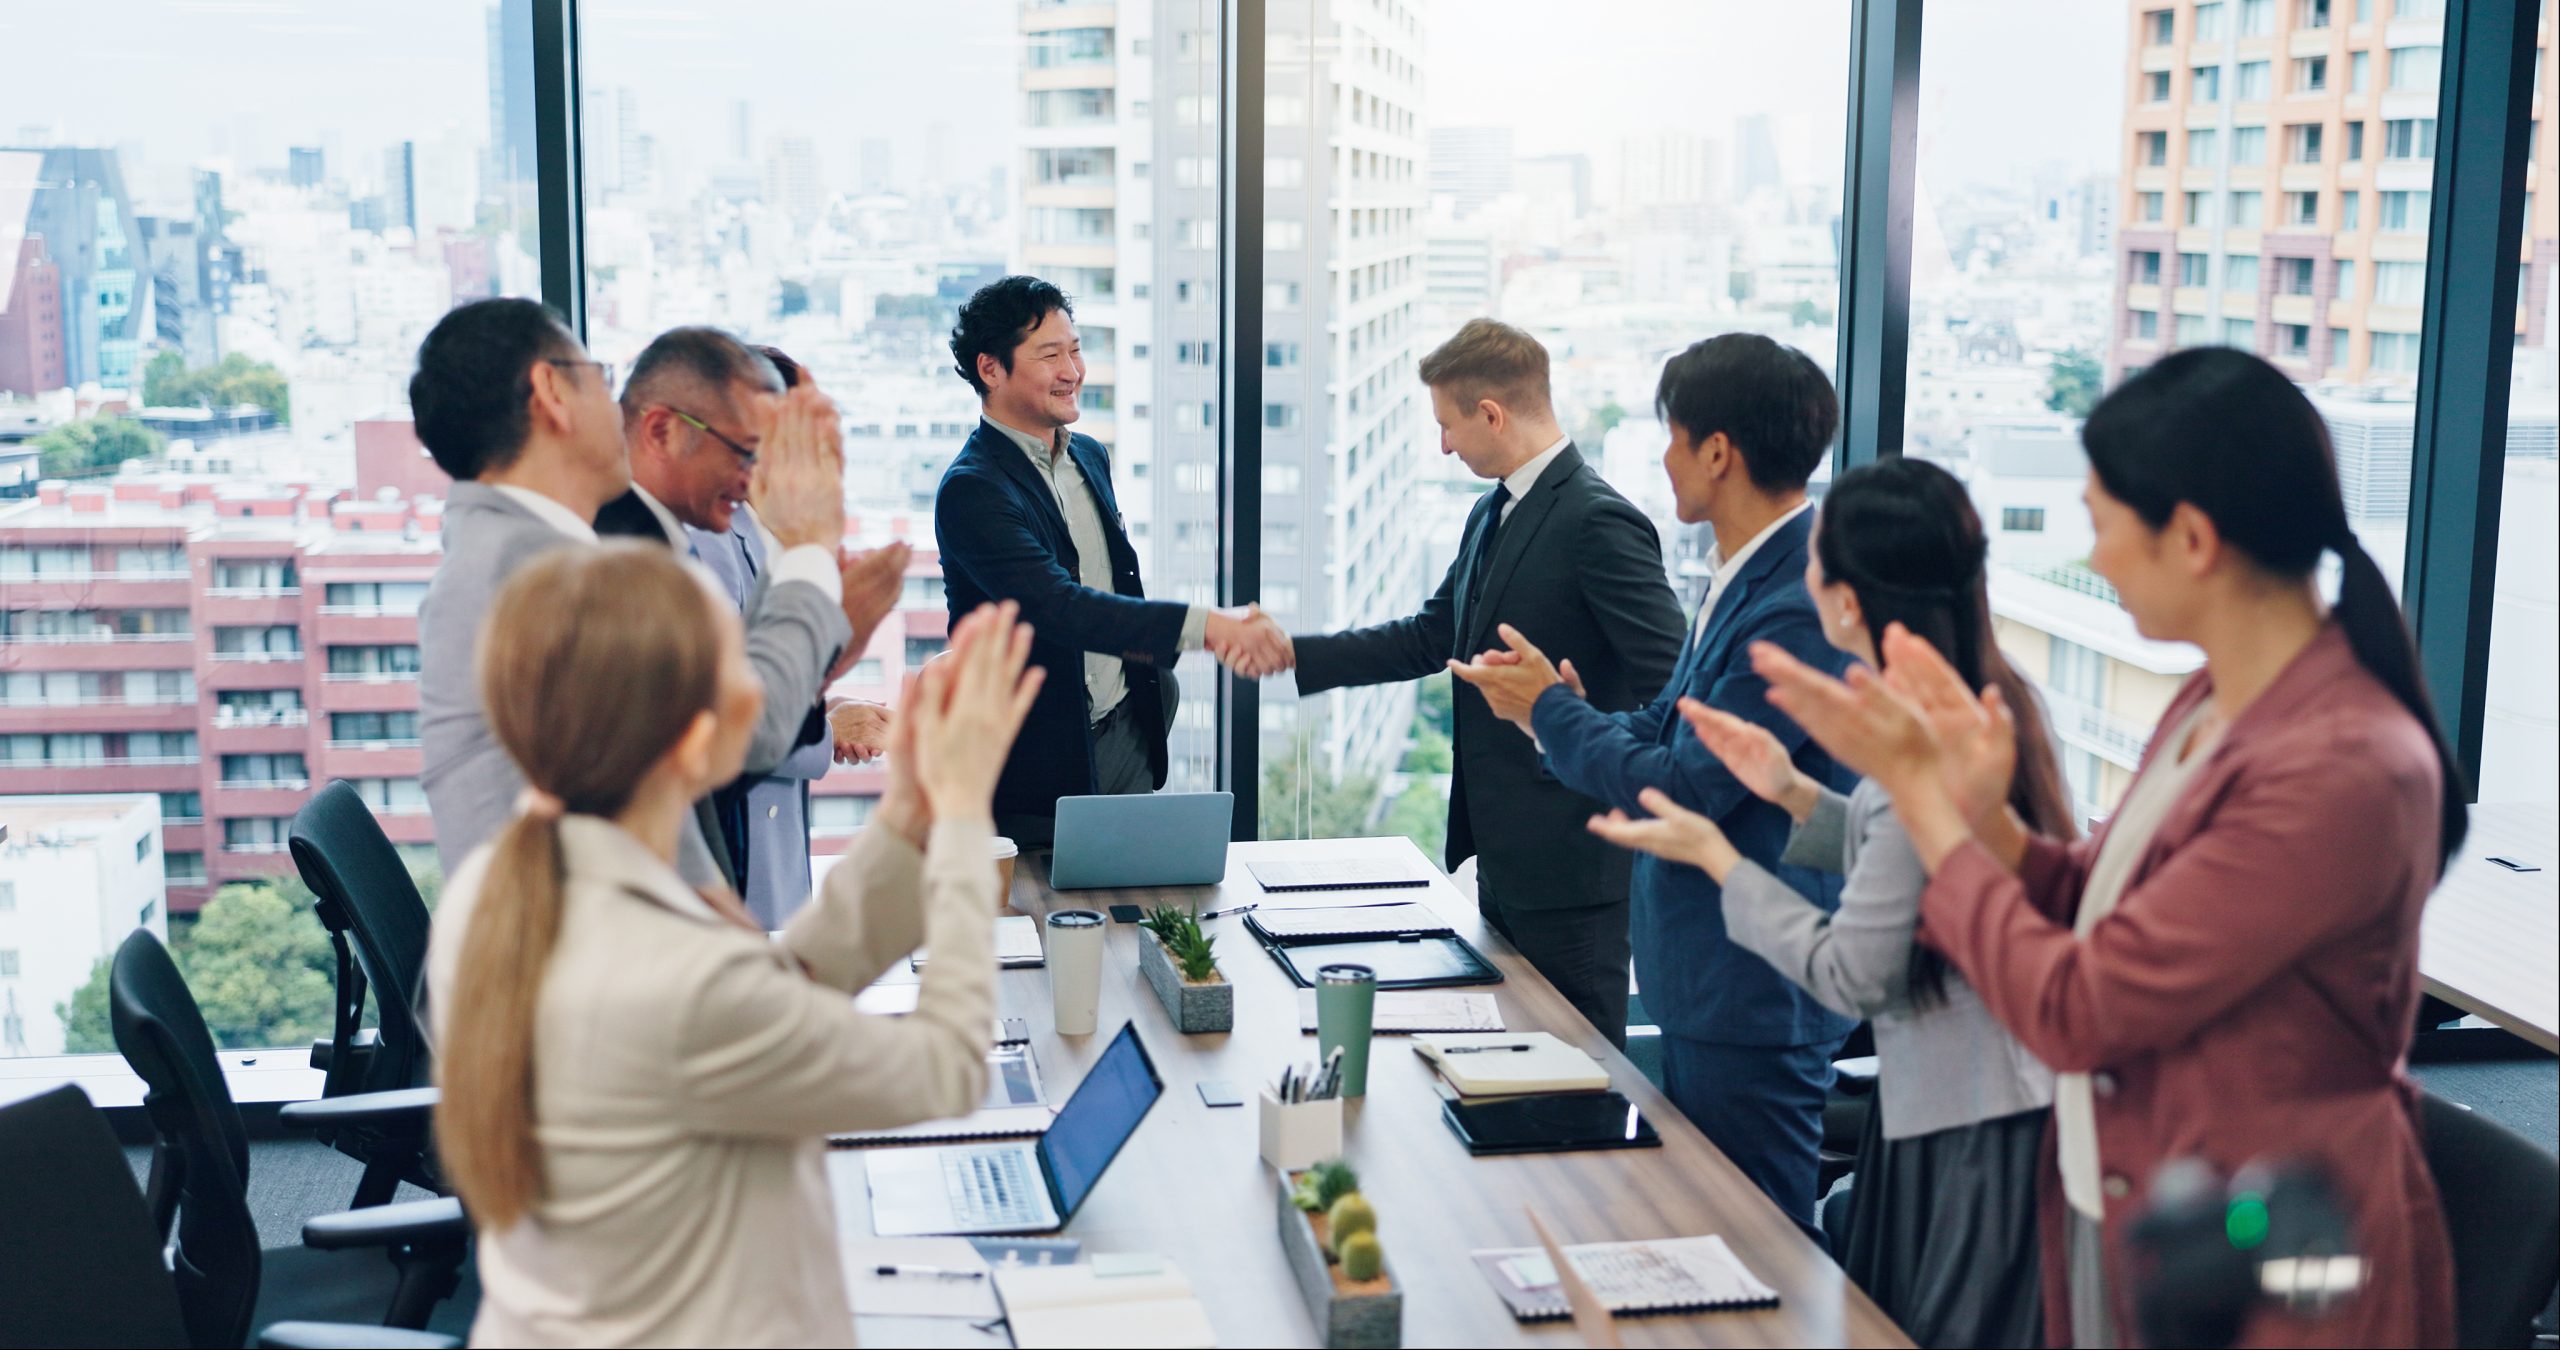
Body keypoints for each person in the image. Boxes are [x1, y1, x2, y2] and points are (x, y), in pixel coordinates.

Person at [1749, 348, 2462, 1348]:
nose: (2094, 557)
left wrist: (1927, 808)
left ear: (2192, 538)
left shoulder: (2340, 767)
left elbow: (2082, 1008)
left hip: (2278, 1242)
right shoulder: (2216, 702)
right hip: (2159, 1195)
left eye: (2101, 522)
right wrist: (1983, 815)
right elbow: (2099, 888)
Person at [428, 543, 1044, 1348]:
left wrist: (908, 816)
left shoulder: (500, 888)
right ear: (691, 743)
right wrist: (965, 816)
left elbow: (769, 989)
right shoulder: (670, 977)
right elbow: (948, 1065)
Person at [1587, 457, 2071, 1347]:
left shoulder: (1917, 739)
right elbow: (1918, 854)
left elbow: (1852, 972)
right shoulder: (1986, 700)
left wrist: (1719, 859)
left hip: (1963, 1129)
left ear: (1846, 599)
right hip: (1978, 1105)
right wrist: (1790, 792)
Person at [1450, 332, 1858, 1240]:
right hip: (1712, 976)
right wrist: (1554, 712)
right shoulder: (1747, 572)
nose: (1662, 459)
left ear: (1718, 451)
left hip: (1753, 987)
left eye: (1672, 436)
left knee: (1762, 1255)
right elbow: (1666, 724)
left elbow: (1686, 786)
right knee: (1707, 1235)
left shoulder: (1793, 601)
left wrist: (1553, 714)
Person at [1252, 319, 1684, 1044]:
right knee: (1515, 1062)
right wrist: (1295, 654)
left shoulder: (1599, 521)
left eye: (1448, 425)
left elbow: (1674, 687)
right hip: (1504, 859)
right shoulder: (1492, 511)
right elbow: (1431, 638)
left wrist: (1570, 723)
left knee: (1580, 1073)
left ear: (1492, 413)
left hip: (1577, 870)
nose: (1443, 446)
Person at [932, 275, 1287, 842]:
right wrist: (1209, 627)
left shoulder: (1090, 458)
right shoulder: (973, 491)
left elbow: (1119, 589)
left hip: (1127, 734)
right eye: (1050, 355)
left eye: (1075, 350)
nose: (1072, 371)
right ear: (990, 369)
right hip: (1035, 767)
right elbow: (1060, 608)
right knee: (1047, 922)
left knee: (1135, 915)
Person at [595, 327, 905, 896]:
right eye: (747, 449)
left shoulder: (710, 531)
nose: (752, 470)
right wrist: (832, 670)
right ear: (661, 431)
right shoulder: (661, 553)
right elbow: (723, 728)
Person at [415, 298, 637, 878]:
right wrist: (809, 559)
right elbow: (715, 741)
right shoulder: (534, 570)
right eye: (601, 380)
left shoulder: (505, 549)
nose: (619, 409)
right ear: (552, 393)